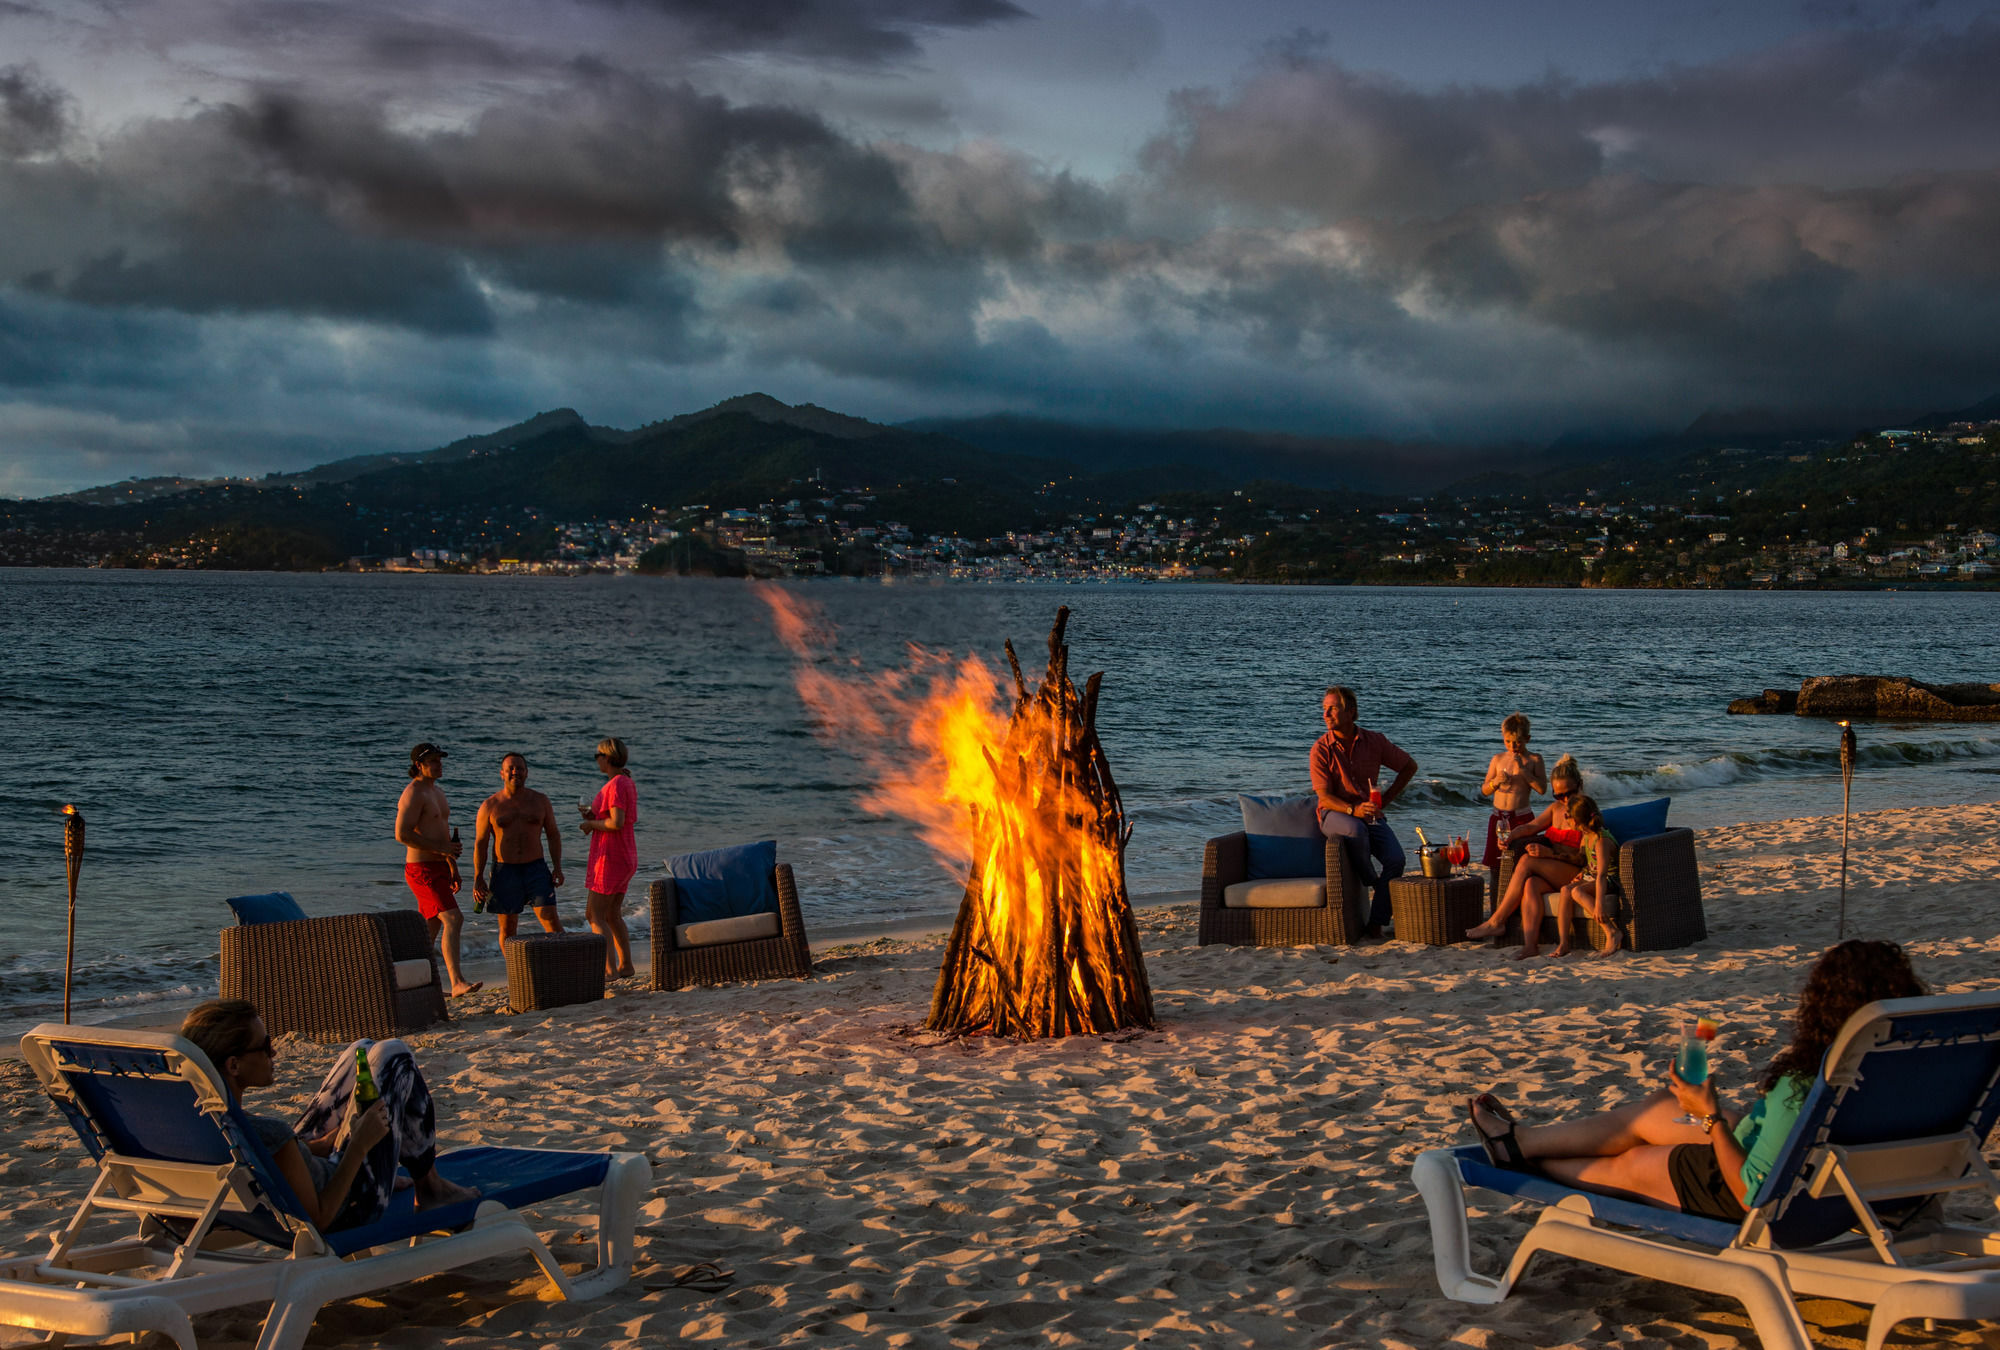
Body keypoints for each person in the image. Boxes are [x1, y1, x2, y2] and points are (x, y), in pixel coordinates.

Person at [1465, 940, 1926, 1223]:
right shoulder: (1914, 1068)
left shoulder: (1810, 1084)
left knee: (1630, 1162)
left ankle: (1525, 1161)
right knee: (1657, 1109)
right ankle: (1522, 1140)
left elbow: (1753, 1196)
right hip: (1855, 1182)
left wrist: (1711, 1122)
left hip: (1753, 1190)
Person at [179, 998, 477, 1231]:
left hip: (287, 1184)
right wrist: (359, 1147)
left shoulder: (206, 1126)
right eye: (266, 1047)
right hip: (352, 1202)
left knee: (361, 1051)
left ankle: (419, 1178)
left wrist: (330, 1141)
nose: (274, 1054)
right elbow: (320, 1219)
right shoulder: (265, 1133)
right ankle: (431, 1188)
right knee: (393, 1055)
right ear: (233, 1066)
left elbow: (274, 1154)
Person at [1309, 685, 1418, 937]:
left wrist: (1385, 801)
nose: (1326, 715)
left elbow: (1409, 766)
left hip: (1368, 812)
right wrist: (1352, 809)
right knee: (1356, 828)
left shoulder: (1374, 741)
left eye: (1332, 708)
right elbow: (1324, 797)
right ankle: (1372, 880)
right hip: (1333, 813)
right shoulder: (1321, 748)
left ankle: (1376, 923)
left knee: (1396, 859)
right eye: (1324, 709)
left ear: (1351, 712)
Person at [1465, 753, 1588, 959]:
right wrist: (1509, 836)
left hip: (1576, 872)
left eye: (1569, 794)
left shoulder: (1586, 811)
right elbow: (1531, 827)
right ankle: (1530, 945)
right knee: (1530, 884)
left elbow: (1584, 858)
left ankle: (1497, 921)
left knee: (1527, 861)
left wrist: (1551, 853)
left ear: (1580, 785)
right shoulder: (1556, 809)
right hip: (1556, 871)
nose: (1565, 800)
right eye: (1558, 796)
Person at [394, 742, 479, 996]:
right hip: (421, 869)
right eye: (433, 761)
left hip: (439, 866)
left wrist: (451, 863)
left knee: (431, 929)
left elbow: (442, 836)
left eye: (440, 760)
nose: (439, 765)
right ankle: (457, 983)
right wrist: (441, 850)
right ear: (419, 765)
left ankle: (420, 985)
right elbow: (402, 834)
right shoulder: (414, 792)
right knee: (454, 918)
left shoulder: (437, 792)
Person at [473, 752, 566, 942]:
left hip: (536, 868)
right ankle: (515, 970)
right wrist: (478, 877)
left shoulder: (540, 801)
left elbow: (553, 835)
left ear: (527, 773)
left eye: (520, 768)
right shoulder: (490, 805)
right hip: (504, 870)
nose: (516, 772)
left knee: (551, 920)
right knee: (507, 929)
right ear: (502, 773)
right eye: (511, 769)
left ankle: (562, 966)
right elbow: (481, 843)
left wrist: (557, 867)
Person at [579, 736, 637, 980]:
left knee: (595, 915)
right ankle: (625, 966)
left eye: (598, 755)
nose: (596, 760)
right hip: (624, 853)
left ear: (608, 757)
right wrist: (593, 813)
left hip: (611, 856)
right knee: (613, 915)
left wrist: (591, 823)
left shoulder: (615, 785)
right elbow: (617, 817)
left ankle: (609, 970)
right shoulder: (625, 782)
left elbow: (616, 822)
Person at [1549, 794, 1622, 957]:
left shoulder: (1601, 840)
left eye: (1567, 815)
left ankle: (1611, 931)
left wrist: (1599, 905)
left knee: (1577, 892)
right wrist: (1582, 873)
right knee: (1566, 890)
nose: (1565, 817)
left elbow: (1603, 875)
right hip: (1593, 877)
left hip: (1609, 881)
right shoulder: (1587, 836)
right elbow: (1591, 865)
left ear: (1576, 820)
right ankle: (1564, 943)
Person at [1479, 712, 1545, 876]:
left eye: (1517, 742)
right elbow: (1484, 790)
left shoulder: (1534, 759)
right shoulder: (1498, 759)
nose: (1512, 746)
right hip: (1498, 818)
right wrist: (1495, 782)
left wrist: (1523, 771)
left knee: (1522, 864)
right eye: (1508, 741)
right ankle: (1496, 900)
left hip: (1522, 818)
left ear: (1527, 739)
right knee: (1496, 866)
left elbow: (1542, 789)